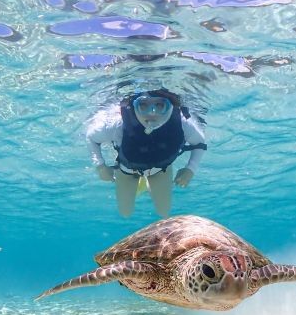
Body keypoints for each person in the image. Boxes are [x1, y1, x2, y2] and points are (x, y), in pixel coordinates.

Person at [86, 88, 207, 218]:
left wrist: (190, 169)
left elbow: (199, 142)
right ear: (133, 106)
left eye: (160, 105)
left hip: (160, 171)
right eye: (143, 105)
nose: (152, 113)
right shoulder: (117, 125)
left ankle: (147, 183)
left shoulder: (183, 124)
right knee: (125, 212)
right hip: (127, 171)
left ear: (171, 106)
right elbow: (91, 137)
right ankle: (143, 183)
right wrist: (100, 166)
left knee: (163, 212)